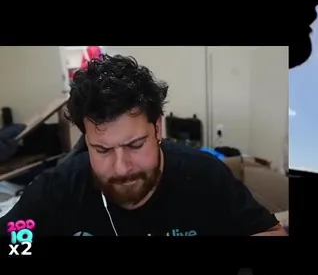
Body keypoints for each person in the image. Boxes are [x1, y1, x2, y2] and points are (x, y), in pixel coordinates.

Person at [0, 55, 286, 236]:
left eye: (135, 145)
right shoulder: (57, 190)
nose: (122, 167)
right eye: (102, 150)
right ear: (85, 140)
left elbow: (269, 231)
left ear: (157, 127)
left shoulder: (205, 175)